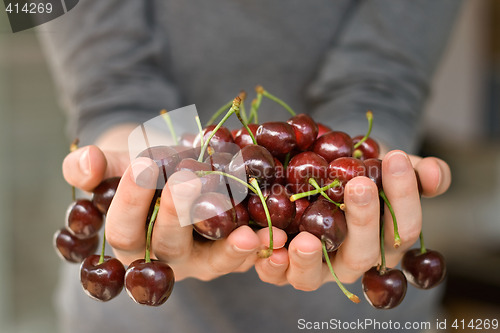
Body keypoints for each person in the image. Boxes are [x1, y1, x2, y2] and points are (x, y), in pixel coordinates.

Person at [39, 0, 459, 332]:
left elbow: (381, 82)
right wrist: (131, 145)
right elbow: (111, 81)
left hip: (353, 314)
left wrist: (364, 162)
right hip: (140, 323)